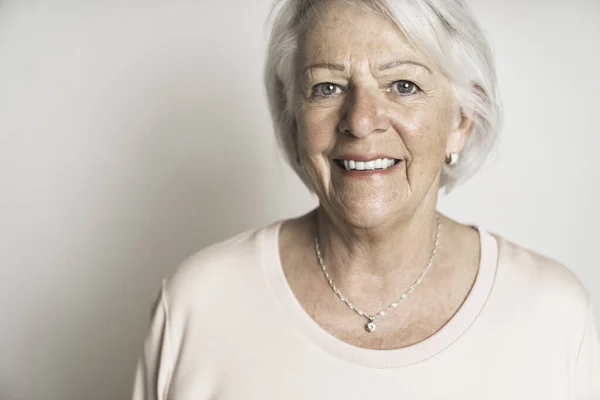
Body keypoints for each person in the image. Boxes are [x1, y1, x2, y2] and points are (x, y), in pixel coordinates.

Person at [132, 0, 600, 398]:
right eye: (328, 87)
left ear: (461, 119)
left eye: (403, 85)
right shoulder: (200, 302)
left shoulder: (551, 314)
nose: (360, 120)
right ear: (294, 120)